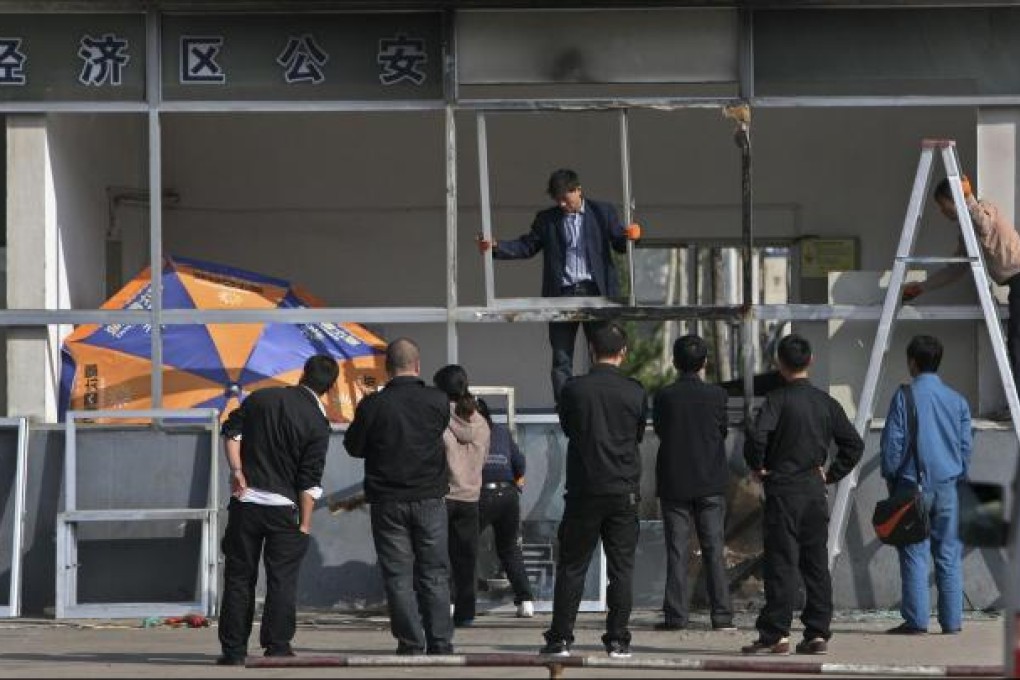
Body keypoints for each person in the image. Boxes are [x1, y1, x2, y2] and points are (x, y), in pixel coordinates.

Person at [742, 334, 864, 656]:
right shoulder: (826, 402)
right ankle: (817, 632)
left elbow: (757, 438)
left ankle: (776, 634)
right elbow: (854, 444)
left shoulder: (776, 400)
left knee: (781, 563)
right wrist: (831, 473)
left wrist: (759, 466)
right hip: (813, 489)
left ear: (779, 364)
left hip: (782, 489)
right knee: (815, 564)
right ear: (810, 361)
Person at [477, 168, 643, 403]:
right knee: (561, 357)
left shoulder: (601, 212)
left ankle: (604, 401)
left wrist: (631, 236)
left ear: (578, 190)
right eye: (558, 200)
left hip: (596, 292)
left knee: (603, 352)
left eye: (566, 198)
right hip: (561, 293)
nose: (563, 204)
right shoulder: (547, 219)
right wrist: (496, 247)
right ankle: (566, 407)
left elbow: (619, 243)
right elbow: (527, 246)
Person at [216, 354, 340, 665]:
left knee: (238, 577)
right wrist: (305, 525)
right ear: (331, 386)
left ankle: (233, 651)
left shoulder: (262, 398)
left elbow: (231, 431)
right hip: (285, 510)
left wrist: (237, 471)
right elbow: (309, 482)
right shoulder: (317, 422)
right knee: (282, 579)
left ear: (302, 374)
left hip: (246, 504)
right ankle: (277, 646)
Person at [540, 322, 647, 659]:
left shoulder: (575, 389)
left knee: (572, 565)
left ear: (591, 351)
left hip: (584, 489)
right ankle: (617, 639)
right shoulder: (635, 391)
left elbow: (569, 428)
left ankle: (560, 638)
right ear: (623, 353)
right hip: (623, 488)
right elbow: (638, 434)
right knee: (622, 569)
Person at [343, 338, 454, 656]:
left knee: (397, 575)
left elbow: (354, 447)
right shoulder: (437, 401)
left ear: (386, 368)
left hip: (387, 500)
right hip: (430, 499)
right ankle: (441, 642)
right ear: (417, 365)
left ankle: (410, 642)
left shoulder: (373, 405)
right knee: (434, 572)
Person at [903, 175, 1020, 417]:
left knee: (1017, 345)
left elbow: (985, 226)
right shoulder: (967, 227)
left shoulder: (983, 209)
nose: (942, 211)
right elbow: (956, 268)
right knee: (1015, 344)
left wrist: (967, 197)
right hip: (1015, 285)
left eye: (942, 204)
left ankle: (1017, 405)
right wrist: (923, 287)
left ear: (952, 200)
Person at [881, 335, 972, 636]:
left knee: (913, 554)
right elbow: (965, 448)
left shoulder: (904, 396)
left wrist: (891, 479)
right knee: (948, 555)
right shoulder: (957, 400)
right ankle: (952, 623)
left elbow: (893, 446)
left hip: (911, 487)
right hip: (949, 487)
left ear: (912, 362)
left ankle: (917, 621)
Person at [652, 334, 735, 632]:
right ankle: (722, 616)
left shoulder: (664, 396)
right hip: (710, 481)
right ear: (704, 363)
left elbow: (661, 430)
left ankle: (676, 616)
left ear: (674, 362)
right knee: (714, 548)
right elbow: (722, 430)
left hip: (675, 482)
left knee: (677, 550)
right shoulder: (717, 396)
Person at [433, 364, 490, 628]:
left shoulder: (439, 419)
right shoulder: (482, 423)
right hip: (471, 497)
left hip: (443, 496)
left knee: (434, 557)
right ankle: (466, 613)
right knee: (467, 560)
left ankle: (436, 609)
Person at [476, 397, 535, 618]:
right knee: (510, 548)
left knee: (463, 546)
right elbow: (519, 463)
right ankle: (525, 600)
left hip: (480, 494)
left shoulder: (468, 432)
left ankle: (457, 599)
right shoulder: (501, 432)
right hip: (508, 494)